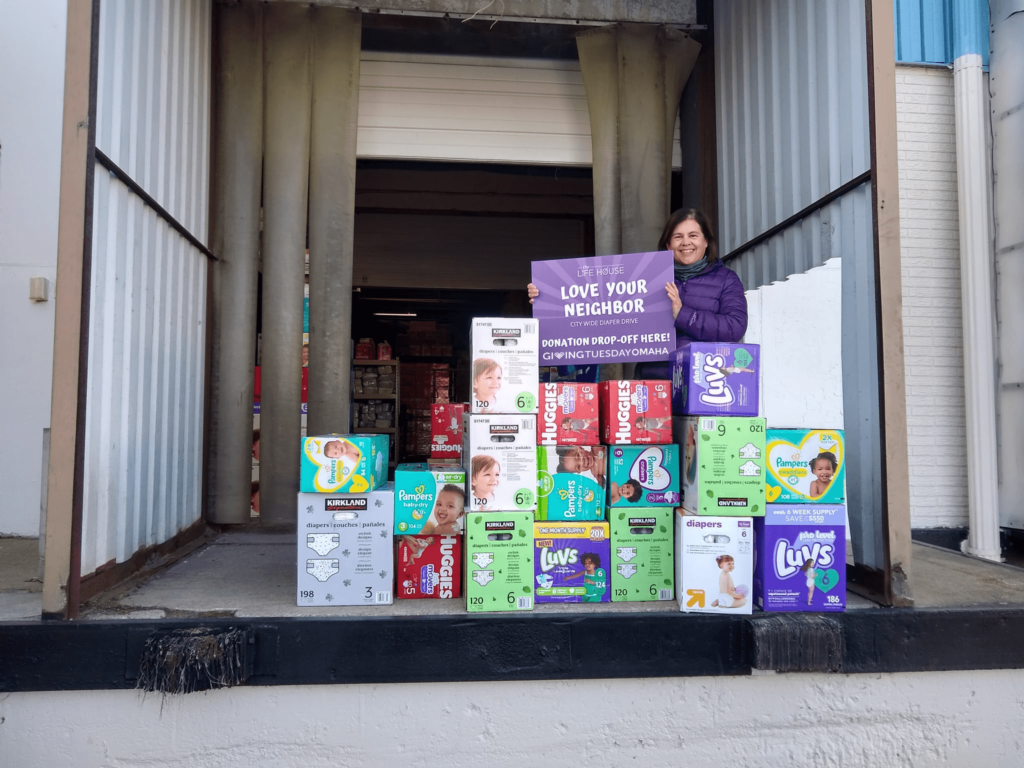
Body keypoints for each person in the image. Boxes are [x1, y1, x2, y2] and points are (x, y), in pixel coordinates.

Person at [526, 209, 747, 380]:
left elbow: (734, 327)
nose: (685, 242)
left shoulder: (725, 279)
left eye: (693, 235)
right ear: (668, 244)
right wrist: (548, 299)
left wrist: (684, 314)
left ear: (706, 241)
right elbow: (599, 311)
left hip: (704, 382)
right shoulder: (645, 277)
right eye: (677, 236)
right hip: (654, 383)